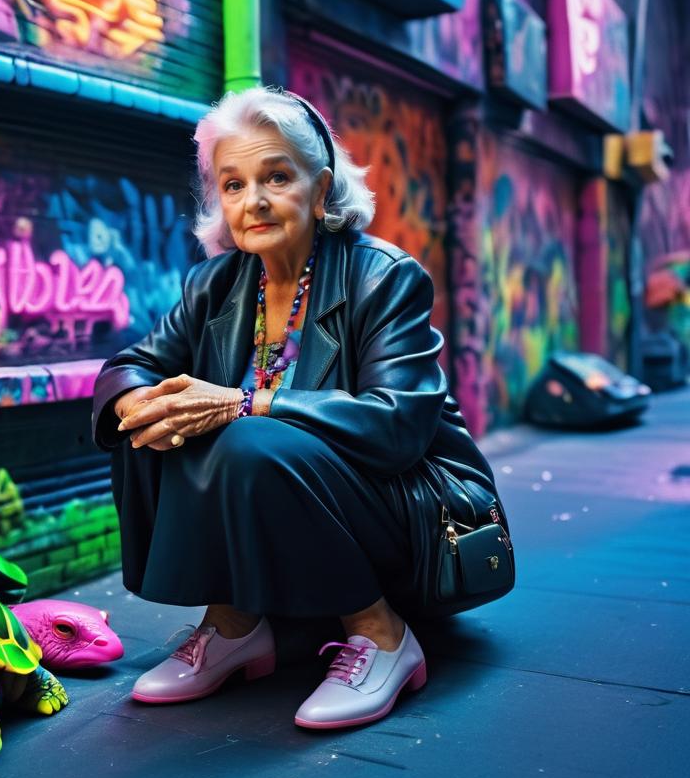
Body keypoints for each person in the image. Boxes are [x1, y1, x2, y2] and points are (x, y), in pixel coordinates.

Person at [90, 86, 507, 729]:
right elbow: (134, 363)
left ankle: (383, 635)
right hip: (299, 491)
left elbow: (398, 424)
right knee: (154, 418)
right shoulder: (216, 283)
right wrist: (140, 399)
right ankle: (232, 625)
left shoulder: (383, 276)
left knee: (247, 436)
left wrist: (244, 403)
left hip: (404, 498)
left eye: (276, 177)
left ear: (320, 190)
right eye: (233, 185)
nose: (252, 201)